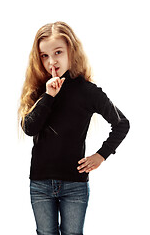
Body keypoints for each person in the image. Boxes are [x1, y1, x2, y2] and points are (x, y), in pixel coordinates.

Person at [18, 21, 129, 234]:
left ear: (71, 50)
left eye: (58, 52)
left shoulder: (88, 92)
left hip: (74, 184)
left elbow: (121, 123)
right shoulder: (39, 89)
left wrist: (101, 155)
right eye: (44, 55)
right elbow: (30, 128)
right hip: (40, 183)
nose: (52, 61)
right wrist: (49, 96)